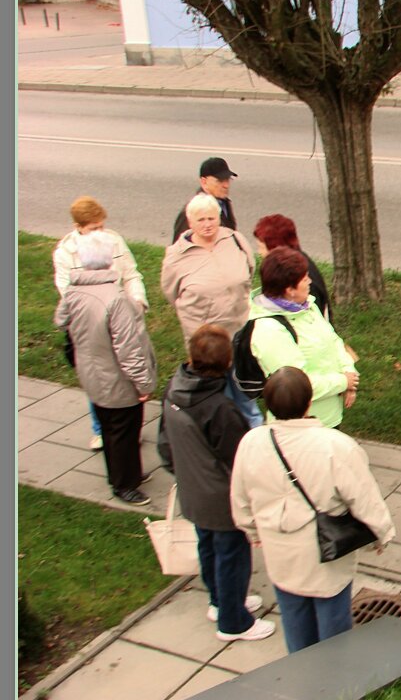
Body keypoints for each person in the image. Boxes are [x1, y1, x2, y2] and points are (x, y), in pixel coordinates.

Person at [230, 367, 395, 654]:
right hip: (324, 556)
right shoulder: (335, 446)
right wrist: (381, 535)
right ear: (309, 402)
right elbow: (364, 499)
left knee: (294, 621)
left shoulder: (251, 442)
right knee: (334, 631)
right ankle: (335, 689)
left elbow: (240, 496)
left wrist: (250, 529)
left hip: (280, 552)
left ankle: (301, 678)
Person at [161, 324, 274, 643]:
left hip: (192, 489)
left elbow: (165, 441)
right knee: (232, 557)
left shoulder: (175, 389)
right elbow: (241, 456)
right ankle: (234, 622)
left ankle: (219, 600)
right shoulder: (219, 409)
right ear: (228, 364)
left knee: (208, 547)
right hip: (221, 497)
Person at [54, 231, 157, 506]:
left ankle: (125, 475)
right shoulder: (116, 299)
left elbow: (61, 319)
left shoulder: (75, 290)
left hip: (91, 373)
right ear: (110, 261)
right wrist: (144, 384)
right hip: (118, 379)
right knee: (124, 432)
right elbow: (128, 349)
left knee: (110, 429)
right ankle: (125, 485)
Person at [53, 196, 149, 451]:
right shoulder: (66, 252)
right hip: (89, 324)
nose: (100, 232)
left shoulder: (113, 240)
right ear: (79, 226)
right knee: (98, 375)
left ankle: (128, 428)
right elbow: (67, 292)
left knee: (127, 369)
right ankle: (100, 429)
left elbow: (130, 273)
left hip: (120, 314)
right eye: (94, 228)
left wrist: (137, 301)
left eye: (101, 226)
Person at [161, 192, 262, 427]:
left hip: (238, 332)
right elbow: (171, 293)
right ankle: (225, 432)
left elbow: (249, 271)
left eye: (211, 218)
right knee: (217, 392)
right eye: (201, 220)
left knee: (243, 388)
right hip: (206, 342)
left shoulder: (235, 240)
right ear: (190, 222)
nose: (207, 225)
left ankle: (254, 430)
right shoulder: (176, 256)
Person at [247, 247, 359, 429]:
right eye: (304, 278)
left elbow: (334, 341)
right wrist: (342, 381)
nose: (310, 281)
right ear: (289, 290)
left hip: (328, 417)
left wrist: (349, 375)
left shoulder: (307, 306)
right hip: (300, 427)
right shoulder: (270, 330)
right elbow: (296, 386)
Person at [253, 214, 331, 321]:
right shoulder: (294, 266)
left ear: (275, 247)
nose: (260, 253)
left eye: (261, 247)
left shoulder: (299, 278)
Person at [172, 157, 239, 243]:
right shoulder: (193, 211)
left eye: (227, 179)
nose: (226, 185)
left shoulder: (223, 202)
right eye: (220, 180)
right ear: (204, 182)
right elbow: (180, 246)